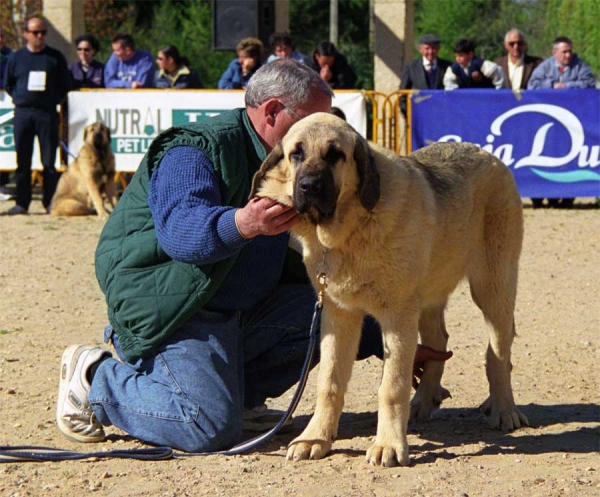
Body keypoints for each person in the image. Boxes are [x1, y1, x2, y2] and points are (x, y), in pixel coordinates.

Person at [55, 59, 452, 453]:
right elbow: (180, 233)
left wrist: (382, 338)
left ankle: (232, 394)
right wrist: (244, 223)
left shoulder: (290, 167)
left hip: (234, 304)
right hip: (171, 307)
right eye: (315, 118)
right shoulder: (195, 148)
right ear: (274, 111)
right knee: (205, 424)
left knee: (329, 319)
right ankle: (94, 379)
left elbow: (316, 277)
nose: (325, 129)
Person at [3, 16, 70, 215]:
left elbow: (64, 85)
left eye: (43, 32)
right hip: (23, 114)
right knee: (22, 160)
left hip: (46, 114)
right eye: (35, 32)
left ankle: (50, 202)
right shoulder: (16, 58)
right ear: (26, 34)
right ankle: (21, 203)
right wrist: (21, 98)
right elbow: (8, 84)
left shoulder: (55, 57)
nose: (40, 36)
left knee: (49, 162)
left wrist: (50, 101)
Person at [527, 36, 595, 209]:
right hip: (547, 122)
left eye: (570, 51)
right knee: (546, 157)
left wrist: (566, 87)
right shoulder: (545, 67)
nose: (568, 55)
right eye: (564, 51)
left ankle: (567, 196)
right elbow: (532, 86)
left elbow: (589, 84)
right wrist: (551, 85)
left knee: (570, 159)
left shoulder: (580, 66)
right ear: (554, 52)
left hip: (574, 123)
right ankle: (539, 196)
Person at [399, 34, 452, 115]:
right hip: (419, 115)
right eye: (427, 48)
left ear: (438, 49)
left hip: (441, 115)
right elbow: (402, 94)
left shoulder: (447, 66)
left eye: (433, 48)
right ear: (420, 49)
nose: (430, 52)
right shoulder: (411, 67)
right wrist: (410, 116)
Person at [0, 25, 13, 195]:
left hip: (6, 104)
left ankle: (2, 183)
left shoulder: (12, 56)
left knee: (6, 145)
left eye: (1, 36)